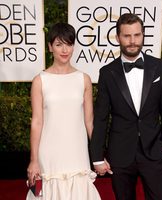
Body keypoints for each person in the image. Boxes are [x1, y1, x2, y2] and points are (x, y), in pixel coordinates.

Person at [90, 13, 162, 200]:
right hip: (120, 154)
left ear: (143, 35)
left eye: (137, 35)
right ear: (117, 37)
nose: (132, 41)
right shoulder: (107, 73)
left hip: (154, 151)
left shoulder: (160, 68)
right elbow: (101, 117)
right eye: (127, 36)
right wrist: (97, 156)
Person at [26, 22, 101, 200]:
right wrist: (34, 159)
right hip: (49, 153)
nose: (65, 49)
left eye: (68, 44)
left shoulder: (84, 79)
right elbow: (37, 122)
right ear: (50, 47)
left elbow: (89, 122)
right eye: (59, 44)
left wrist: (98, 156)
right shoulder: (40, 81)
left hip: (77, 151)